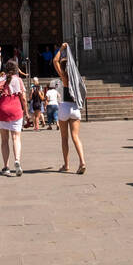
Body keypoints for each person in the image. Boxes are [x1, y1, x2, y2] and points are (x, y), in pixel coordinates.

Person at [52, 42, 87, 173]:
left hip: (65, 107)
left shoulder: (64, 77)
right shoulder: (77, 80)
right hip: (75, 108)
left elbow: (55, 60)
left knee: (64, 138)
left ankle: (66, 165)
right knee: (76, 137)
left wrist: (61, 49)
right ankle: (82, 162)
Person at [0, 61, 27, 176]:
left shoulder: (0, 80)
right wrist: (26, 112)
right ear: (16, 69)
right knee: (16, 138)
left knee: (4, 140)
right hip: (15, 109)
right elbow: (23, 98)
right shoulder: (19, 80)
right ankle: (17, 160)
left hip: (3, 109)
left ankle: (6, 167)